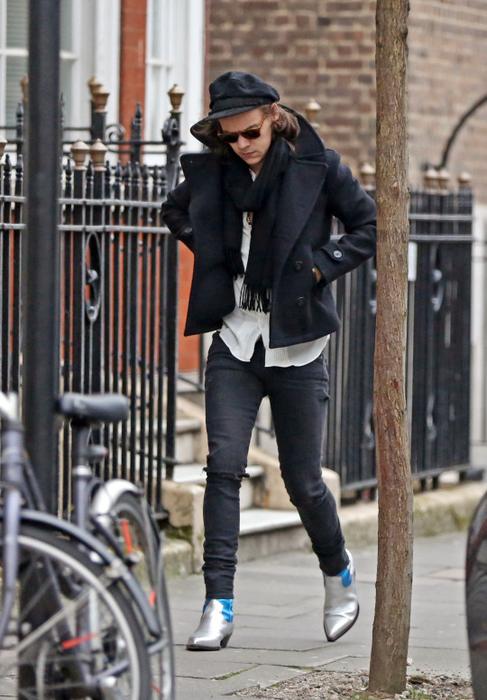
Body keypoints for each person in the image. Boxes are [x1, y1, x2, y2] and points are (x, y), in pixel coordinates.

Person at [161, 71, 376, 651]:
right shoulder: (214, 172)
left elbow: (368, 225)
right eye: (230, 137)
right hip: (235, 340)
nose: (242, 145)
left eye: (250, 132)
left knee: (302, 481)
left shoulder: (318, 166)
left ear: (273, 119)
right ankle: (219, 603)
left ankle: (338, 572)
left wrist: (320, 267)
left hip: (297, 347)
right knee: (224, 466)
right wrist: (212, 251)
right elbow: (173, 211)